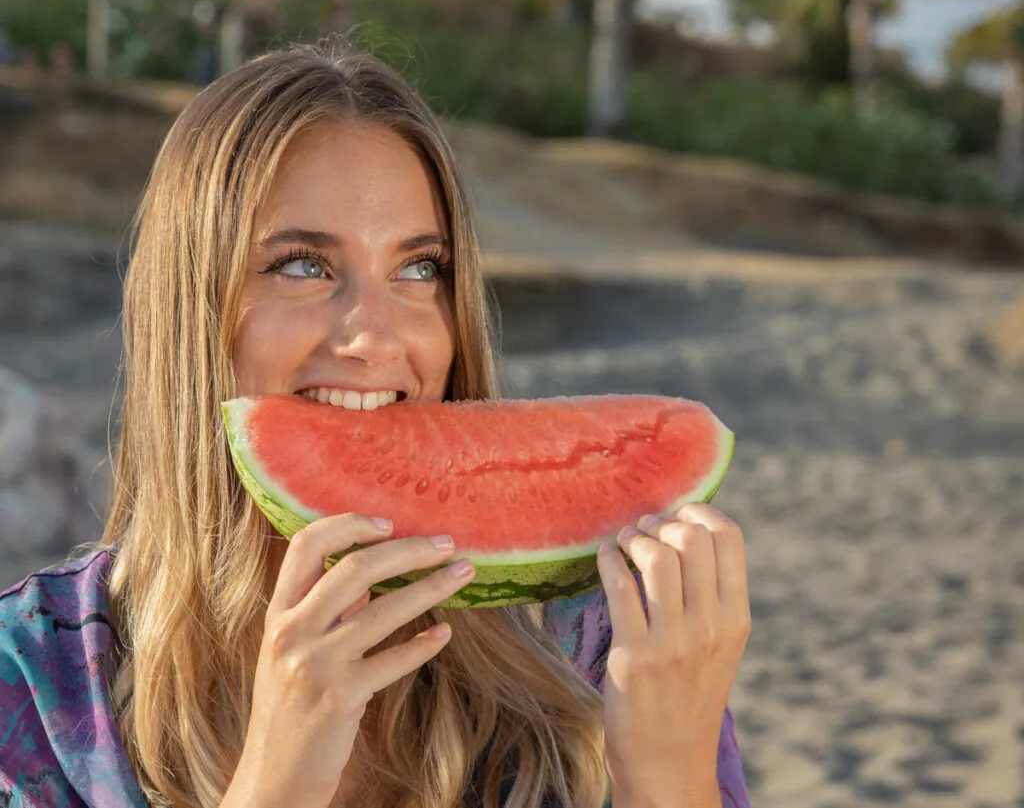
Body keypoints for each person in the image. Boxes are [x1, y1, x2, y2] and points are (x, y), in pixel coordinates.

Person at [0, 43, 752, 808]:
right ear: (189, 312)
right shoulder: (29, 683)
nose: (376, 338)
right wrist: (274, 786)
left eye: (419, 268)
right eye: (302, 265)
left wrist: (668, 779)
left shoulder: (600, 640)